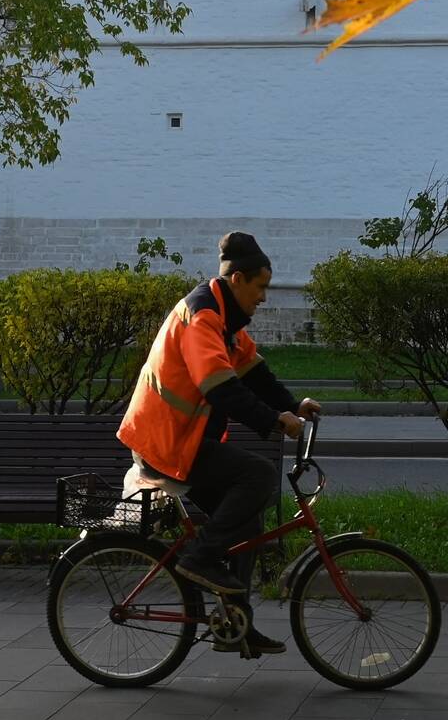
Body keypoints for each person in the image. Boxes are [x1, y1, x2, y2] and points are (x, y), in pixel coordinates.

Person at [118, 230, 321, 659]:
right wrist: (274, 421)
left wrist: (293, 405)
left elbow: (253, 374)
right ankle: (199, 558)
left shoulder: (227, 320)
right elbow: (221, 388)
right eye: (261, 287)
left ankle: (237, 625)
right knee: (258, 475)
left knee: (246, 524)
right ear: (237, 281)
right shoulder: (203, 316)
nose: (264, 297)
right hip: (166, 442)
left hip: (182, 440)